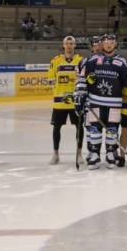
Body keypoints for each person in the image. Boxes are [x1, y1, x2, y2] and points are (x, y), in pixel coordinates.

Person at [75, 33, 127, 169]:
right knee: (95, 129)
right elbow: (82, 78)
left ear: (115, 44)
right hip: (95, 101)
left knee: (112, 130)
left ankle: (110, 154)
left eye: (111, 42)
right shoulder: (91, 60)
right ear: (102, 44)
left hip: (114, 103)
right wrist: (80, 95)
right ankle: (95, 154)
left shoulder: (123, 62)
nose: (108, 44)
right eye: (106, 41)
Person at [47, 35, 83, 165]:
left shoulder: (80, 60)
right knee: (56, 128)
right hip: (59, 102)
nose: (69, 45)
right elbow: (50, 79)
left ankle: (79, 154)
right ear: (63, 46)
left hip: (75, 101)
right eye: (67, 43)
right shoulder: (56, 61)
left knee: (79, 127)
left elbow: (83, 78)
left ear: (75, 45)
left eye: (71, 43)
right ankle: (55, 154)